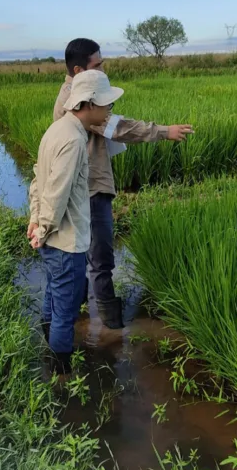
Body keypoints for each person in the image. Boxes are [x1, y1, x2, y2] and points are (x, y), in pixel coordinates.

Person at [27, 38, 193, 330]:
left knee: (78, 261)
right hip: (89, 190)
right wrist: (165, 131)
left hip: (88, 187)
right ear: (80, 70)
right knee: (98, 259)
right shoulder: (79, 103)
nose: (104, 69)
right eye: (98, 65)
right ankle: (106, 330)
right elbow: (119, 126)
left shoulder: (77, 95)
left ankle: (73, 324)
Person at [29, 70, 122, 375]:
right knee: (65, 315)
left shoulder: (56, 130)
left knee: (53, 297)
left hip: (53, 240)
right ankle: (61, 376)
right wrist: (42, 228)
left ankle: (48, 350)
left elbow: (36, 180)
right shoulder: (72, 140)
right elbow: (56, 194)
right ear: (88, 103)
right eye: (106, 104)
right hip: (65, 242)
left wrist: (35, 221)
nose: (109, 110)